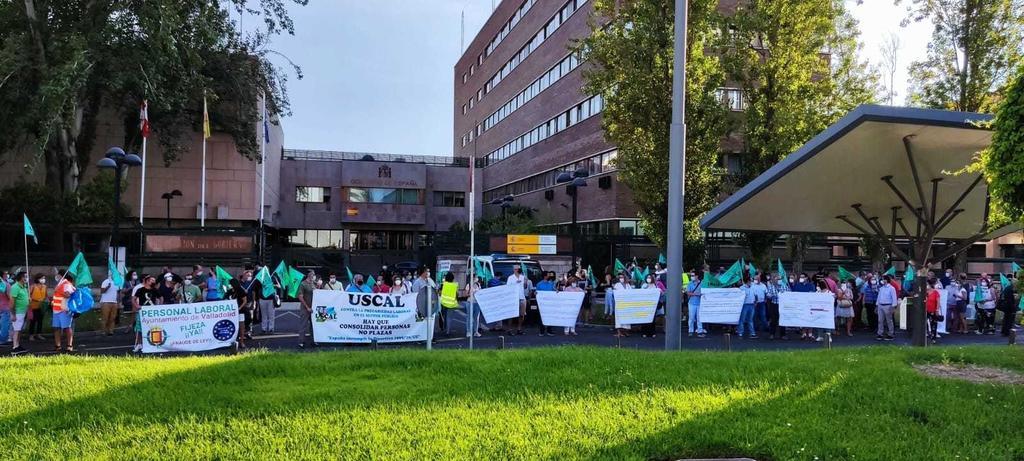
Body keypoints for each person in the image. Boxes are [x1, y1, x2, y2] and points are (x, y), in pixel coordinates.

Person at [132, 275, 161, 352]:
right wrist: (137, 306)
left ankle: (153, 343)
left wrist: (159, 306)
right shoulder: (140, 290)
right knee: (139, 328)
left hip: (152, 312)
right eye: (152, 280)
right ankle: (139, 344)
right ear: (147, 281)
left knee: (153, 327)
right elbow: (133, 299)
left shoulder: (154, 290)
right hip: (142, 311)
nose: (153, 282)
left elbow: (161, 297)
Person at [50, 272, 76, 352]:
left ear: (62, 276)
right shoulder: (59, 284)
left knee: (67, 328)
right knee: (56, 328)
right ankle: (58, 345)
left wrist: (59, 291)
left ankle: (69, 345)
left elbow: (68, 295)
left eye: (58, 275)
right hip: (56, 309)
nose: (56, 276)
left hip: (64, 310)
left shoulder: (67, 284)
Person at [9, 272, 30, 354]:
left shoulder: (24, 287)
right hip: (17, 312)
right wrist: (13, 314)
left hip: (23, 311)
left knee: (19, 329)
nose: (27, 278)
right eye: (25, 277)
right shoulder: (15, 287)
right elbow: (11, 302)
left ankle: (17, 345)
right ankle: (15, 347)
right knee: (16, 330)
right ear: (21, 278)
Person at [641, 273, 665, 338]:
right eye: (647, 277)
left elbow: (662, 293)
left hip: (653, 305)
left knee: (652, 319)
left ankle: (652, 333)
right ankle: (644, 332)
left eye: (650, 277)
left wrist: (660, 292)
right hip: (645, 305)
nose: (648, 279)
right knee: (645, 319)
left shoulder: (655, 285)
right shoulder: (644, 285)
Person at [506, 266, 528, 336]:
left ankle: (519, 329)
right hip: (513, 298)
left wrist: (525, 282)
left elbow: (525, 287)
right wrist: (516, 283)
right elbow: (508, 288)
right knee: (511, 315)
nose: (517, 270)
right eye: (515, 269)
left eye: (518, 269)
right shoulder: (510, 277)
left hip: (522, 298)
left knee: (522, 315)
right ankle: (509, 329)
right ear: (513, 270)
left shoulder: (522, 277)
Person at [297, 271, 316, 348]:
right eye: (313, 274)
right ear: (309, 275)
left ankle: (313, 341)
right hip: (305, 309)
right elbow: (300, 297)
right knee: (303, 325)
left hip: (313, 309)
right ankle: (301, 342)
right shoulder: (303, 284)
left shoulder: (313, 283)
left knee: (313, 326)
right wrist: (307, 307)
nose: (314, 276)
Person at [876, 274, 898, 341]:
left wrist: (893, 306)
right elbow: (879, 297)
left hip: (888, 305)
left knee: (889, 321)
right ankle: (880, 333)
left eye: (884, 279)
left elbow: (894, 298)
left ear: (887, 280)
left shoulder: (891, 288)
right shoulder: (881, 288)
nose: (883, 281)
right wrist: (877, 305)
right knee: (880, 320)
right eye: (882, 279)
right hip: (880, 305)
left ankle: (890, 334)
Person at [767, 273, 788, 340]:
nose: (779, 280)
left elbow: (789, 293)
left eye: (780, 279)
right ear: (774, 279)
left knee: (783, 320)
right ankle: (772, 334)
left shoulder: (784, 286)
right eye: (777, 279)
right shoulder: (771, 286)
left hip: (782, 305)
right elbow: (768, 295)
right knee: (773, 320)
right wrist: (773, 295)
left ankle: (783, 335)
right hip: (774, 305)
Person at [438, 272, 460, 336]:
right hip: (452, 304)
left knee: (443, 316)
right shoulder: (455, 285)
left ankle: (443, 328)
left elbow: (439, 293)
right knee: (449, 318)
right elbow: (457, 294)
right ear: (453, 278)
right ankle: (448, 331)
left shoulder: (443, 284)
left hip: (443, 303)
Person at [98, 271, 120, 336]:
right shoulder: (106, 281)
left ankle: (111, 331)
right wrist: (108, 287)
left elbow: (118, 293)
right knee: (105, 318)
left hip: (114, 302)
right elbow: (102, 291)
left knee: (113, 318)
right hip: (105, 302)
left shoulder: (117, 283)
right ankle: (103, 331)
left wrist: (118, 301)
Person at [27, 274, 48, 341]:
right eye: (42, 278)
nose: (43, 280)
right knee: (33, 321)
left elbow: (46, 296)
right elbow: (28, 296)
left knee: (40, 321)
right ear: (37, 279)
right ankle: (31, 335)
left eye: (44, 278)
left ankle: (39, 334)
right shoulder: (32, 286)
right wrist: (35, 300)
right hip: (33, 306)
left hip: (42, 307)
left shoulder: (45, 286)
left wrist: (46, 301)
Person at [612, 272, 632, 337]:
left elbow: (631, 292)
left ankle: (625, 332)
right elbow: (614, 293)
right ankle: (619, 332)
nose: (621, 278)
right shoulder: (617, 285)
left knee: (626, 317)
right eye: (620, 277)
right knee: (618, 318)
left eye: (622, 277)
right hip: (619, 303)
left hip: (626, 303)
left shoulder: (628, 285)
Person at [686, 272, 705, 338]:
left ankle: (700, 331)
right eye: (691, 275)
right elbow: (688, 293)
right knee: (691, 318)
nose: (692, 277)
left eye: (693, 275)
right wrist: (697, 294)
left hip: (700, 303)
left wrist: (698, 294)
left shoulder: (702, 283)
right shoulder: (690, 283)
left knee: (699, 318)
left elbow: (704, 292)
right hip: (691, 303)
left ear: (697, 276)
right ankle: (690, 331)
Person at [925, 278, 941, 343]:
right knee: (925, 323)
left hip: (933, 310)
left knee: (933, 324)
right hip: (925, 310)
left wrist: (937, 310)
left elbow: (938, 302)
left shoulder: (935, 292)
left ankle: (933, 337)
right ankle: (926, 333)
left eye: (927, 284)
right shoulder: (924, 292)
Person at [0, 272, 10, 345]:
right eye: (6, 274)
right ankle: (2, 340)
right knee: (5, 324)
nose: (7, 275)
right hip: (5, 306)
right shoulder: (6, 284)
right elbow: (9, 296)